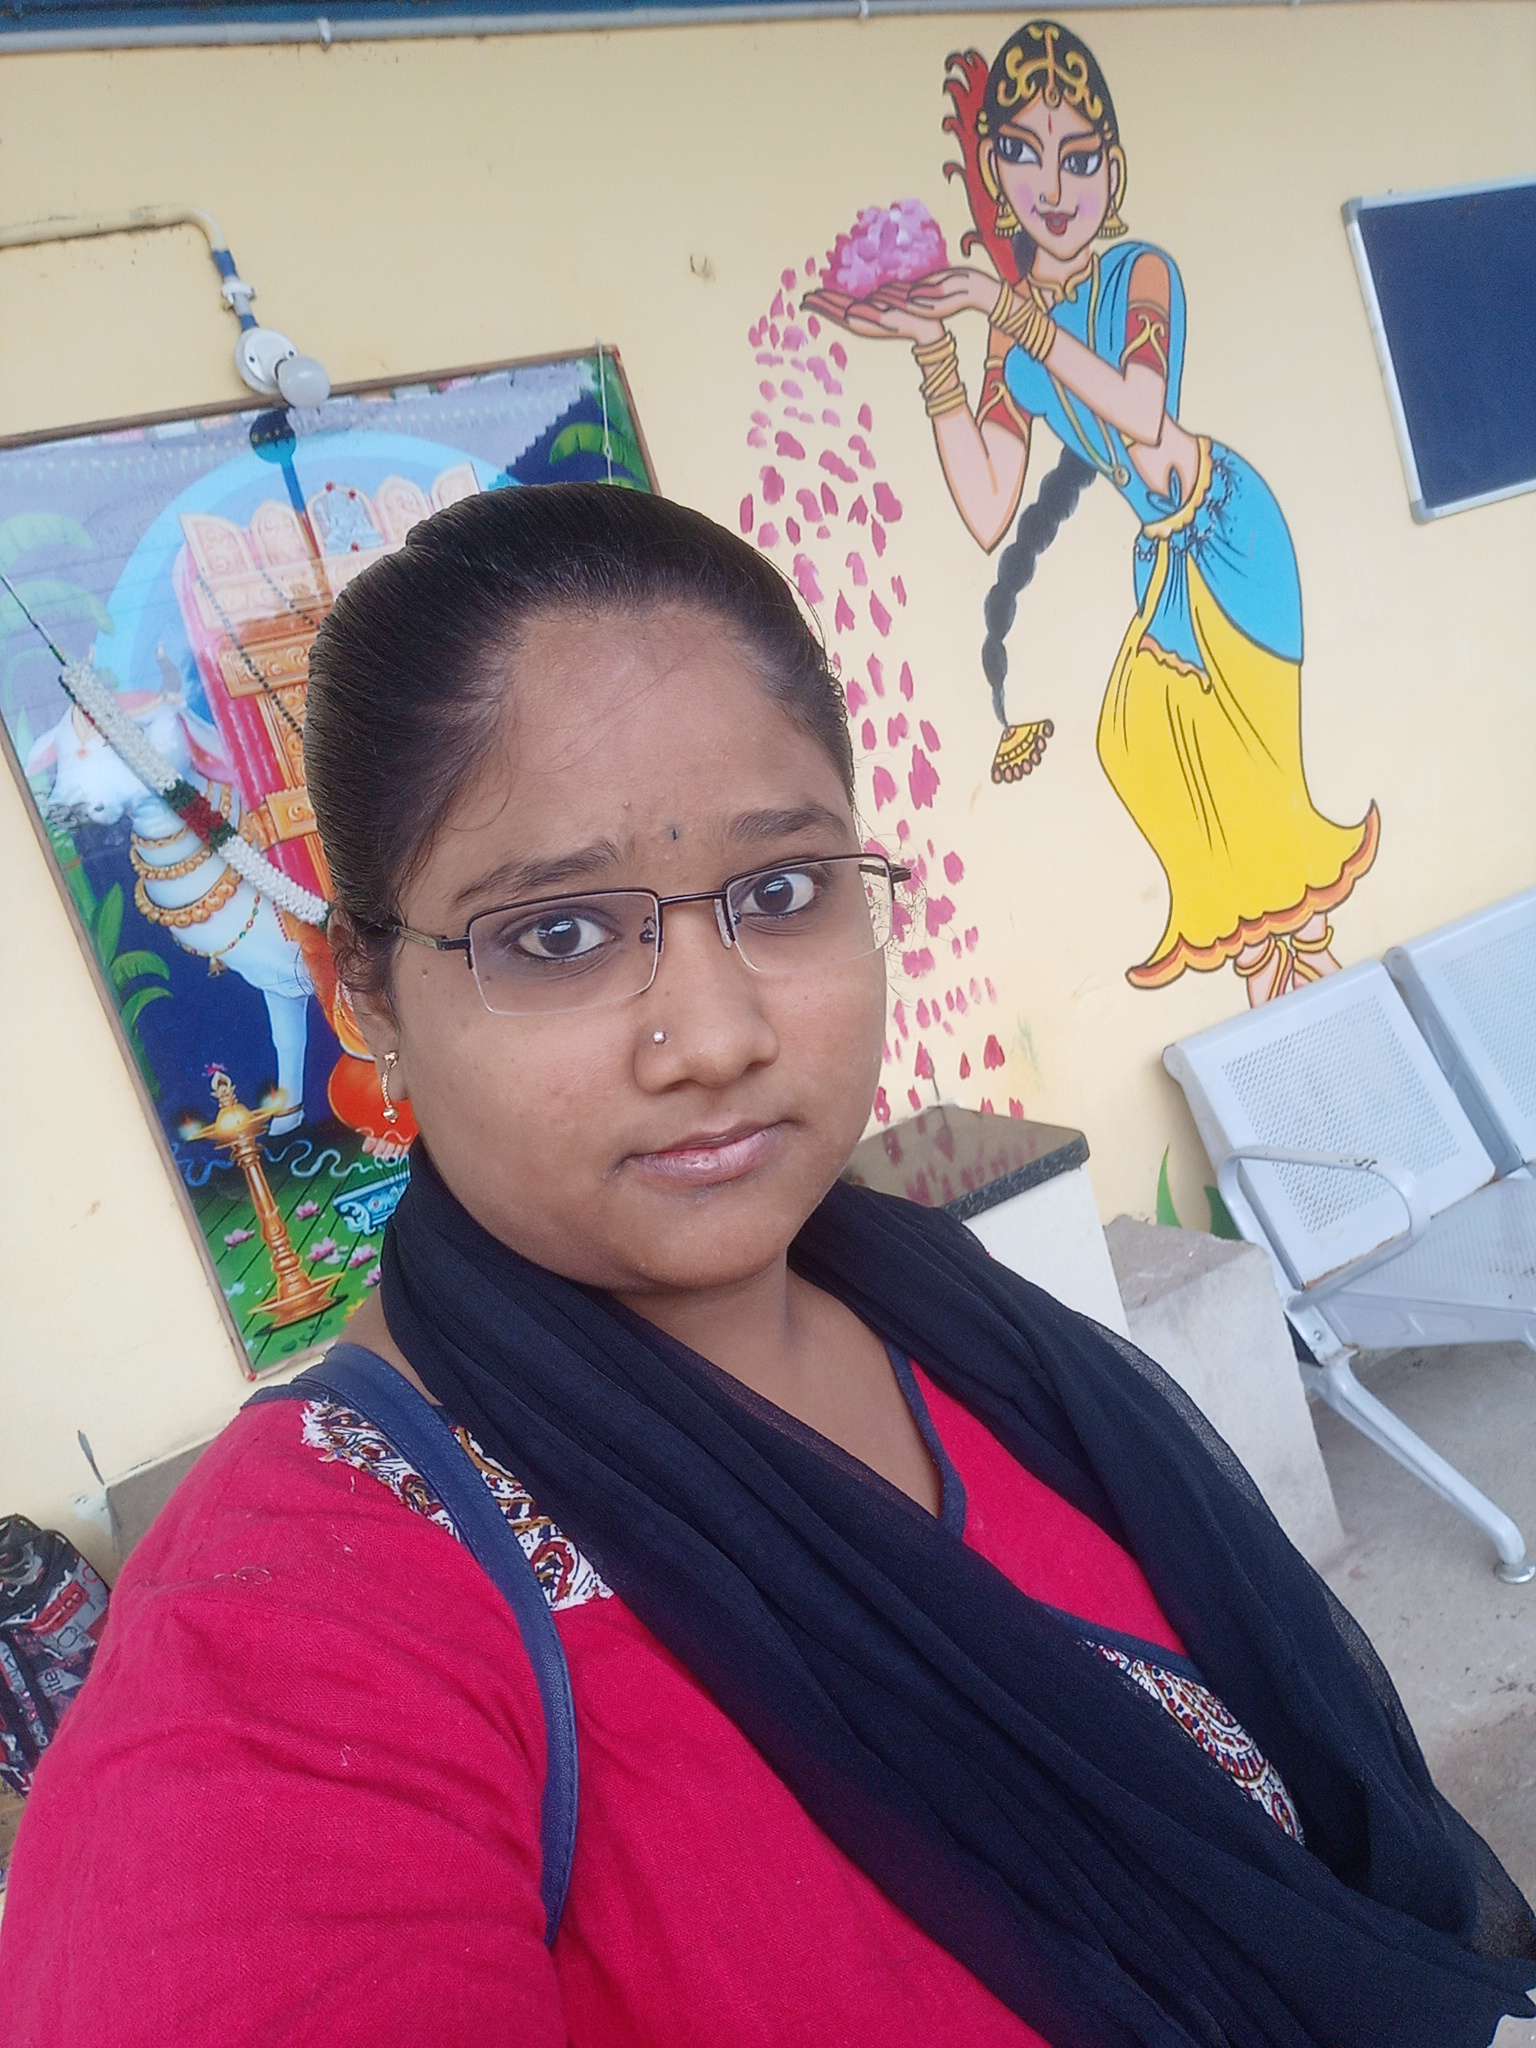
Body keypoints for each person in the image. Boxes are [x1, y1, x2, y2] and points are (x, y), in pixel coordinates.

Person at [3, 483, 1530, 2047]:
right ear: (366, 996)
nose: (717, 1036)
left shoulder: (955, 1320)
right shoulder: (285, 1651)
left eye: (782, 893)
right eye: (557, 936)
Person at [805, 18, 1378, 1006]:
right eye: (1026, 156)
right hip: (1162, 557)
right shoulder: (1007, 335)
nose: (1055, 188)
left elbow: (1141, 413)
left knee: (1253, 786)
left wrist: (1002, 307)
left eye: (1077, 159)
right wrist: (934, 346)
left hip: (1227, 525)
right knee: (1140, 743)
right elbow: (987, 504)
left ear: (1111, 171)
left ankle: (1313, 994)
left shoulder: (1138, 273)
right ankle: (1278, 997)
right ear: (996, 170)